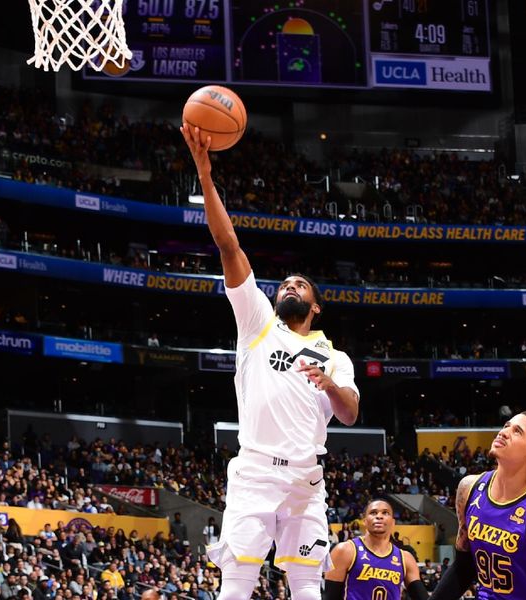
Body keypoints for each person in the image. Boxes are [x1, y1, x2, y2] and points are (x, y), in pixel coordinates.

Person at [181, 124, 360, 600]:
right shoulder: (258, 322)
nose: (288, 287)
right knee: (236, 586)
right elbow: (229, 245)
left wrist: (329, 384)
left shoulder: (336, 357)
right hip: (255, 472)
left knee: (306, 587)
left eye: (299, 285)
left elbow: (350, 414)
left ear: (316, 306)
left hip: (306, 479)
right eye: (284, 284)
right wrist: (205, 174)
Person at [430, 411, 526, 600]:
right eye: (506, 426)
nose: (503, 432)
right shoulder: (469, 488)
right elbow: (464, 566)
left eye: (517, 431)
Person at [324, 499, 427, 600]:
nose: (379, 516)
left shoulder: (405, 558)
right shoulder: (344, 551)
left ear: (393, 522)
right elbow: (330, 597)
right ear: (364, 521)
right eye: (373, 513)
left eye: (385, 513)